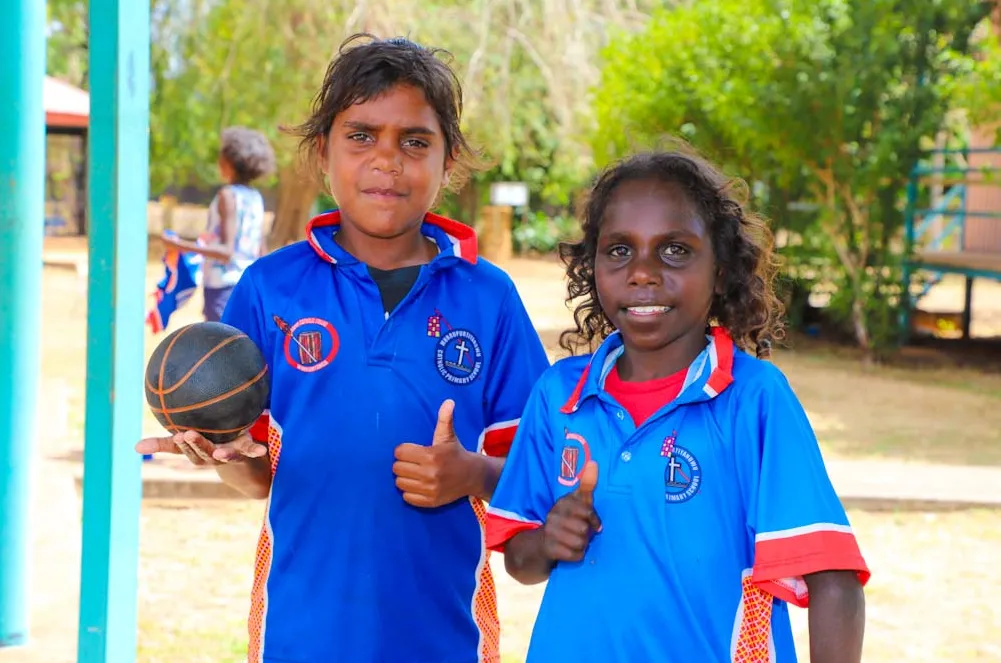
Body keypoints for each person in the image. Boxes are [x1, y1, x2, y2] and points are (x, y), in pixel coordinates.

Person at [136, 35, 549, 663]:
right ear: (322, 151)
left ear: (449, 159)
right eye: (361, 136)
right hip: (301, 632)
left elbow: (535, 474)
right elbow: (257, 473)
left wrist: (472, 473)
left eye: (414, 141)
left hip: (445, 636)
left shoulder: (487, 298)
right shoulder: (270, 288)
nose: (387, 161)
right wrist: (222, 453)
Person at [484, 150, 869, 663]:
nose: (642, 273)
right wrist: (548, 537)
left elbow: (835, 580)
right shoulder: (559, 396)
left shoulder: (752, 401)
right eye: (619, 250)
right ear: (591, 265)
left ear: (720, 270)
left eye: (674, 250)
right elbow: (520, 561)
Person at [160, 126, 276, 322]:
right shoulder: (255, 198)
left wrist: (178, 245)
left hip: (223, 288)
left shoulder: (227, 196)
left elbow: (226, 252)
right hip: (247, 287)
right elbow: (260, 250)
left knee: (221, 348)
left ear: (231, 162)